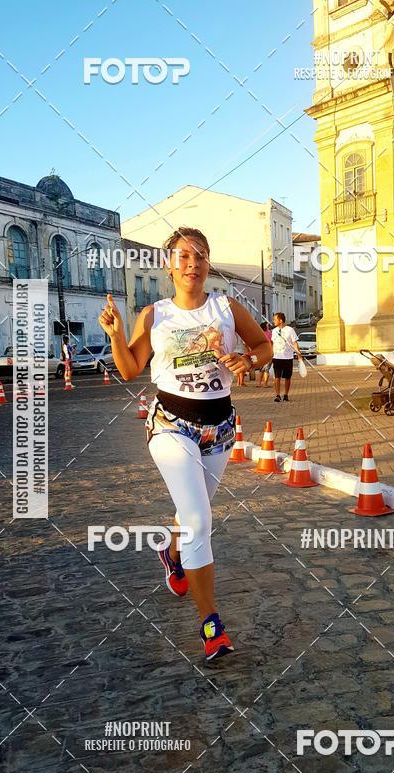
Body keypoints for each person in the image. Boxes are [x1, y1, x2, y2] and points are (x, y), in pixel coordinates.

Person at [99, 227, 272, 662]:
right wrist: (117, 334)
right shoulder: (154, 315)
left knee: (188, 512)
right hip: (170, 425)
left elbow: (264, 346)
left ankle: (171, 553)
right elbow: (129, 368)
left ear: (208, 263)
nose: (192, 263)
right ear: (168, 264)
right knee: (199, 517)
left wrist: (248, 359)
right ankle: (211, 625)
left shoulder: (227, 308)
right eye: (183, 256)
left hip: (219, 429)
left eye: (200, 255)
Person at [271, 312, 303, 402]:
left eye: (275, 319)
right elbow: (272, 343)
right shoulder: (274, 331)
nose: (273, 321)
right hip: (277, 357)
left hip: (288, 358)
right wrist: (271, 354)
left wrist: (299, 355)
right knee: (277, 377)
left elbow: (295, 343)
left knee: (287, 377)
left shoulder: (290, 330)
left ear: (280, 320)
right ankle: (277, 395)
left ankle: (286, 394)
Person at [257, 322, 272, 388]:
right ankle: (265, 383)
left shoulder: (259, 333)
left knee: (261, 369)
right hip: (268, 352)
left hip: (261, 352)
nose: (268, 326)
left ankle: (259, 383)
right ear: (265, 327)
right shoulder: (269, 333)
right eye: (267, 325)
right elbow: (272, 342)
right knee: (267, 369)